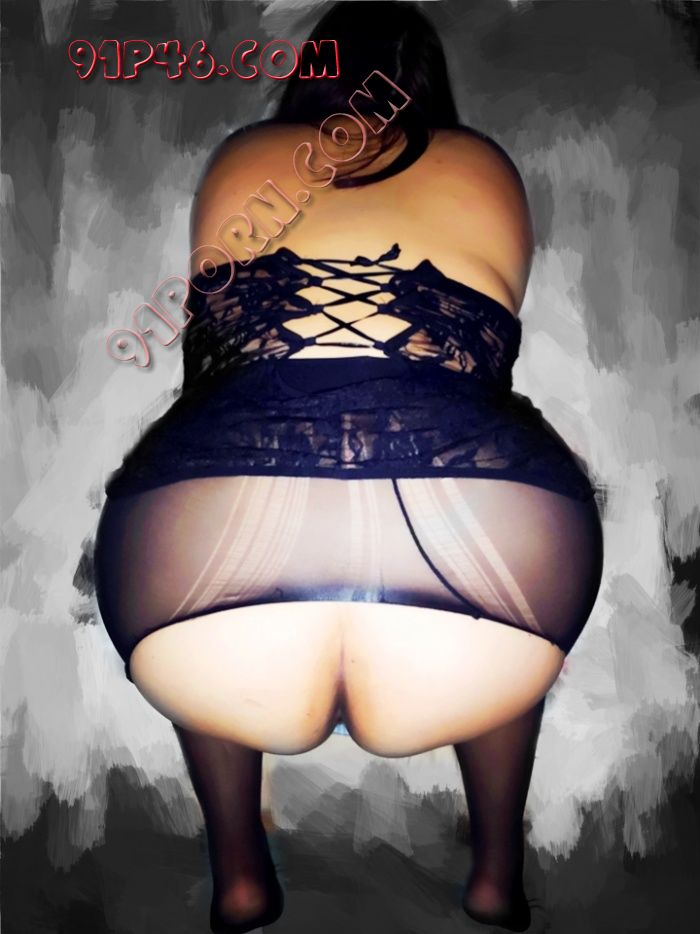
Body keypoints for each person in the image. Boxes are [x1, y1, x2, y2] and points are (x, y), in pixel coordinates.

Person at [94, 2, 604, 931]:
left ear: (311, 74)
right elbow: (484, 368)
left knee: (197, 477)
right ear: (427, 88)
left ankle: (240, 877)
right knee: (504, 536)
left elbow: (210, 367)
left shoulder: (244, 159)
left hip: (211, 612)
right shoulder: (482, 165)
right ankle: (497, 875)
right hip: (475, 603)